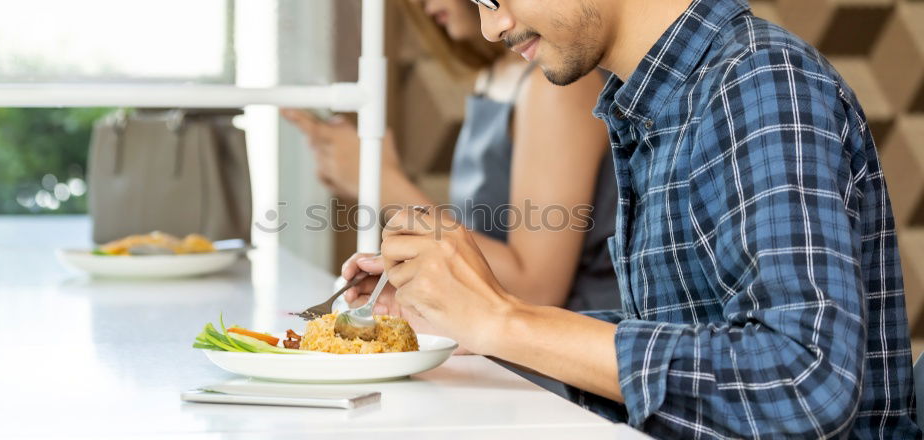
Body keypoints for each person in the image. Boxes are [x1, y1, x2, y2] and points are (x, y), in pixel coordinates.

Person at [341, 0, 921, 437]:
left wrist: (508, 321)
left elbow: (802, 384)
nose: (493, 26)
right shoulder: (656, 102)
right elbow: (693, 337)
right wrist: (469, 325)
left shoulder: (760, 81)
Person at [283, 0, 620, 312]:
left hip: (560, 358)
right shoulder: (494, 79)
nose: (427, 7)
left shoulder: (556, 88)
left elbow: (536, 290)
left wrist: (385, 186)